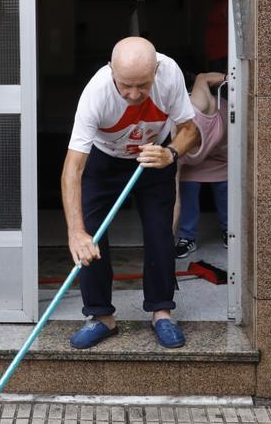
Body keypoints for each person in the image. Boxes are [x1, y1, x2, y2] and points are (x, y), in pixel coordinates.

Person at [61, 37, 200, 350]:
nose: (134, 94)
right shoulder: (96, 94)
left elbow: (191, 132)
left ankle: (161, 312)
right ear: (111, 70)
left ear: (156, 72)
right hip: (103, 159)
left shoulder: (170, 74)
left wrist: (171, 154)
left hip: (154, 156)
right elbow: (73, 168)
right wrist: (75, 233)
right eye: (125, 85)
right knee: (91, 237)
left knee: (160, 233)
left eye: (143, 85)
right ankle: (101, 318)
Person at [173, 72, 229, 259]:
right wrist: (166, 239)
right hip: (195, 162)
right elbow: (176, 201)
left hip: (223, 144)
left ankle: (230, 231)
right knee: (188, 189)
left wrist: (233, 77)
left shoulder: (198, 106)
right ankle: (187, 237)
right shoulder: (175, 153)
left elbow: (202, 77)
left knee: (225, 189)